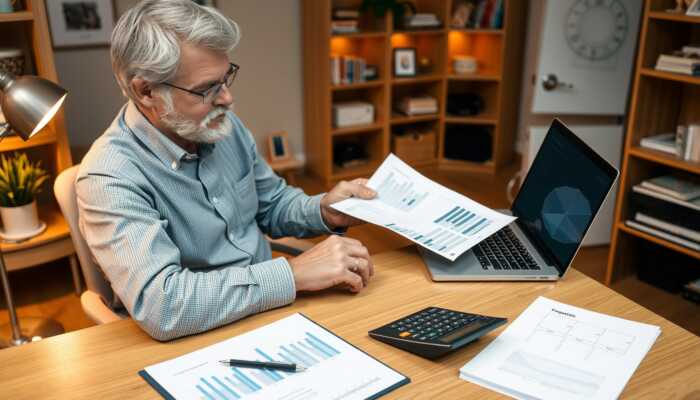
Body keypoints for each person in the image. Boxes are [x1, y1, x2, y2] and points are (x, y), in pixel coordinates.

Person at [76, 0, 376, 341]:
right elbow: (164, 305)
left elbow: (272, 204)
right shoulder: (109, 177)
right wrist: (291, 275)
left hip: (272, 310)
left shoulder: (220, 124)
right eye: (207, 89)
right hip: (197, 339)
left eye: (226, 78)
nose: (228, 99)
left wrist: (325, 209)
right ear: (145, 91)